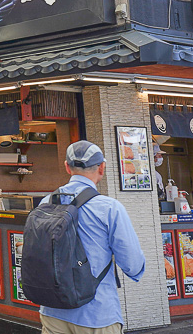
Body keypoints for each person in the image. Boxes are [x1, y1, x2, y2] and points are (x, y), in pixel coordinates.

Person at [38, 141, 146, 334]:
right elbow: (132, 264)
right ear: (102, 168)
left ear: (67, 167)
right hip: (97, 314)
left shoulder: (46, 203)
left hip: (52, 311)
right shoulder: (109, 208)